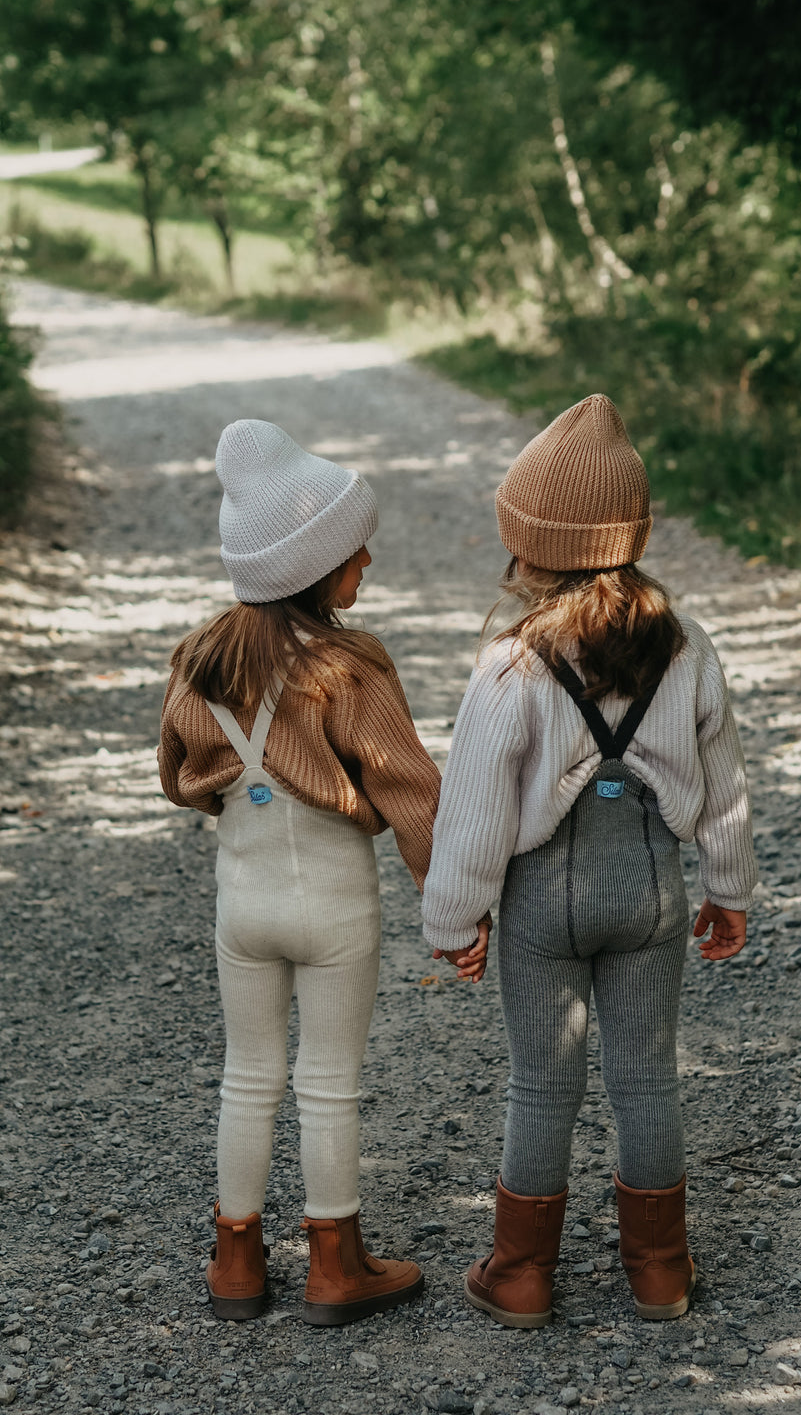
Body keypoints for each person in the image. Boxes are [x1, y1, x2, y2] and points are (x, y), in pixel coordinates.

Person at [421, 394, 757, 1328]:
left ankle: (521, 1275)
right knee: (646, 1074)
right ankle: (658, 1270)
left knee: (543, 1081)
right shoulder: (687, 648)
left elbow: (476, 809)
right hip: (649, 890)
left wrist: (456, 920)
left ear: (528, 547)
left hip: (544, 904)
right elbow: (724, 781)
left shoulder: (512, 664)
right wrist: (728, 888)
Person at [158, 419, 484, 1325]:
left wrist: (234, 791)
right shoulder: (350, 669)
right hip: (335, 906)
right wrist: (456, 910)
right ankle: (335, 1265)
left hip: (243, 907)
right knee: (328, 1081)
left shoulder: (199, 661)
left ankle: (235, 1261)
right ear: (309, 568)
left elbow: (176, 778)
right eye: (352, 550)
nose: (367, 559)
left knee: (248, 1075)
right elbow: (413, 792)